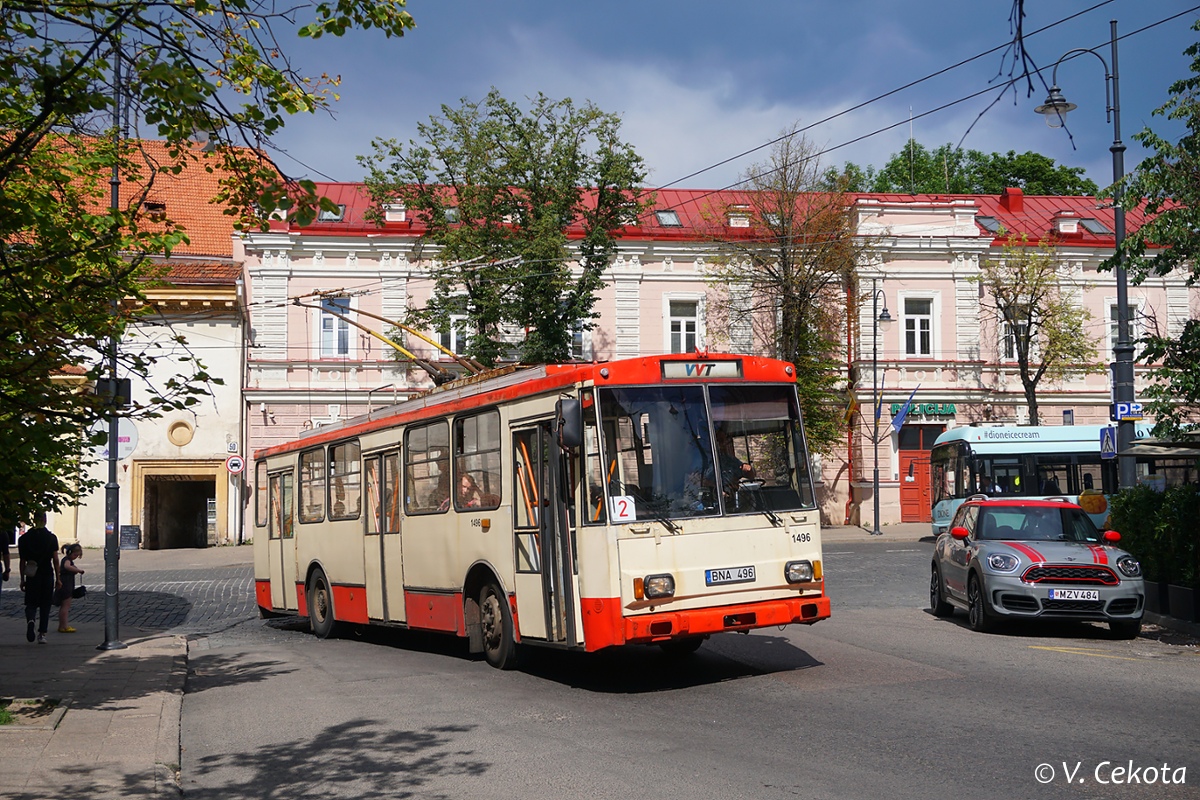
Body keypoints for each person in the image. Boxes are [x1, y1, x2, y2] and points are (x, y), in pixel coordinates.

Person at [18, 511, 60, 644]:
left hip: (32, 574)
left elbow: (22, 561)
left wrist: (22, 579)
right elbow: (55, 559)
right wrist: (58, 578)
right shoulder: (51, 538)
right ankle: (42, 633)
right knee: (45, 605)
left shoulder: (24, 539)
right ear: (45, 520)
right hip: (46, 573)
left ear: (33, 520)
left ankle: (31, 621)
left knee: (31, 603)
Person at [55, 543, 84, 633]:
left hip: (66, 583)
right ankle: (64, 626)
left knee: (64, 606)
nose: (76, 557)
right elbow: (67, 567)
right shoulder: (67, 560)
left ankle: (62, 626)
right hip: (66, 585)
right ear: (71, 552)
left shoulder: (67, 560)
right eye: (75, 555)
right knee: (66, 606)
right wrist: (78, 570)